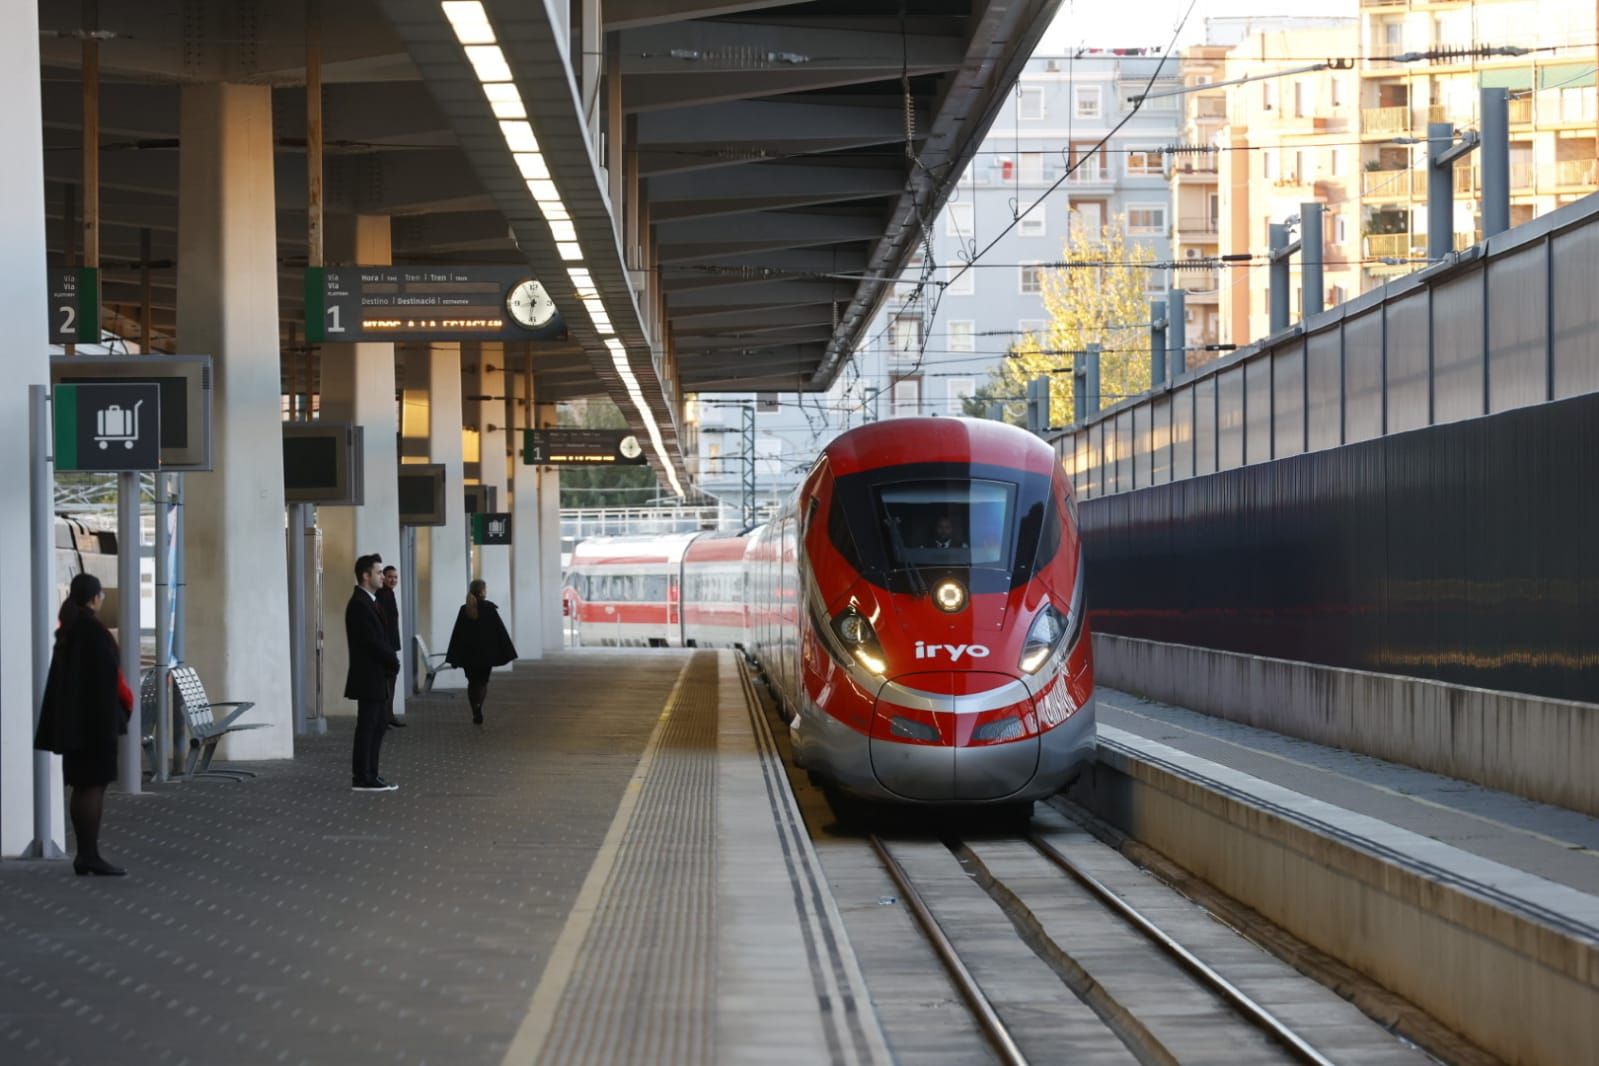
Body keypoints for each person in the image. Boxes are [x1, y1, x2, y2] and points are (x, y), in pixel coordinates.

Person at [34, 573, 133, 876]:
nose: (103, 599)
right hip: (94, 723)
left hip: (75, 723)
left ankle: (86, 854)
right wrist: (122, 709)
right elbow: (108, 677)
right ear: (93, 598)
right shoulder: (92, 630)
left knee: (81, 786)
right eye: (101, 594)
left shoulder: (71, 628)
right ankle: (89, 855)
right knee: (93, 785)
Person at [346, 554, 399, 791]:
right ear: (366, 576)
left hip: (377, 674)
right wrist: (392, 658)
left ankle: (371, 774)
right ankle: (363, 777)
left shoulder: (371, 600)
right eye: (379, 572)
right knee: (368, 726)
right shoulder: (359, 603)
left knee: (377, 725)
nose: (383, 576)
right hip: (368, 674)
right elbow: (371, 640)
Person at [445, 579, 518, 725]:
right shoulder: (490, 608)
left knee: (472, 683)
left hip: (469, 655)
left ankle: (474, 710)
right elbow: (499, 631)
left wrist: (454, 655)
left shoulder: (464, 609)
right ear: (482, 591)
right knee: (483, 683)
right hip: (486, 655)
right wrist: (506, 650)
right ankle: (479, 707)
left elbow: (458, 633)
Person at [375, 565, 405, 728]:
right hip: (386, 645)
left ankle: (389, 714)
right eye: (390, 577)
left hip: (391, 644)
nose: (393, 580)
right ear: (383, 578)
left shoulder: (389, 594)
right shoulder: (382, 595)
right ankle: (384, 716)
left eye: (395, 577)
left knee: (391, 681)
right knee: (386, 682)